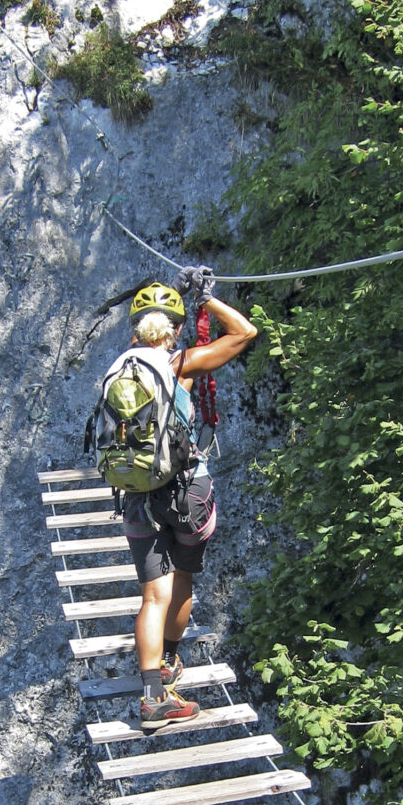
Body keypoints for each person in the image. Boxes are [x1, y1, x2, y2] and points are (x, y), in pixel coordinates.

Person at [122, 268, 258, 731]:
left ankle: (151, 698)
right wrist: (207, 301)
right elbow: (244, 334)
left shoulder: (121, 370)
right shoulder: (179, 365)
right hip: (184, 493)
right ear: (176, 331)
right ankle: (171, 660)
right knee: (183, 578)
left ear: (134, 330)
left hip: (137, 495)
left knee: (151, 597)